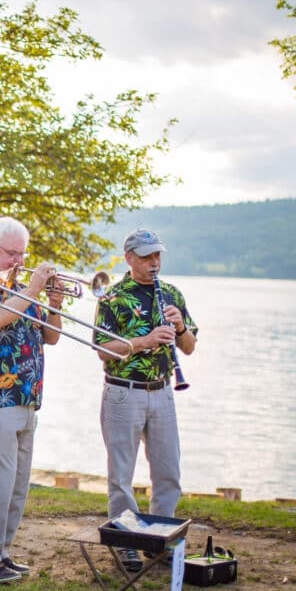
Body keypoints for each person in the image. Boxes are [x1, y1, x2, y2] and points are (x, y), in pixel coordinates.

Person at [0, 217, 65, 583]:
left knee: (18, 484)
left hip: (27, 395)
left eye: (23, 253)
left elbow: (50, 337)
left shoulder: (22, 288)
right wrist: (36, 287)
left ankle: (1, 550)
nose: (19, 260)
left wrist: (53, 304)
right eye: (11, 253)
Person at [93, 228, 197, 572]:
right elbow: (103, 351)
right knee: (121, 474)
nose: (155, 263)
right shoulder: (112, 297)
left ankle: (160, 539)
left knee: (168, 470)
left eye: (158, 256)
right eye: (147, 257)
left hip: (163, 390)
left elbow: (190, 347)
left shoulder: (170, 294)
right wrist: (145, 340)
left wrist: (180, 329)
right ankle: (125, 540)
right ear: (129, 259)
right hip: (123, 391)